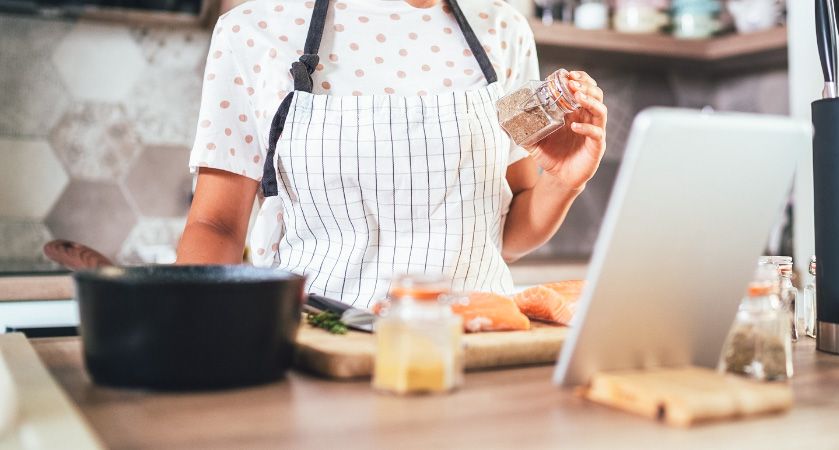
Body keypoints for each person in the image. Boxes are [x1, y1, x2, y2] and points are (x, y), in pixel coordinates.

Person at [176, 0, 608, 308]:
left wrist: (563, 182)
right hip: (317, 344)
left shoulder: (502, 29)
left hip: (475, 345)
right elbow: (217, 225)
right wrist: (194, 335)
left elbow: (506, 239)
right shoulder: (253, 30)